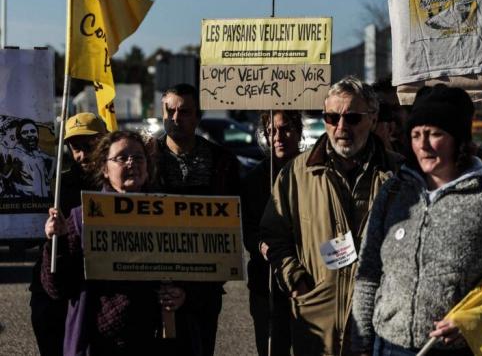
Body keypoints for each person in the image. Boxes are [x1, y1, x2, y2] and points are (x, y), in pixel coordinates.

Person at [352, 84, 482, 356]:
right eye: (416, 134)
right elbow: (369, 274)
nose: (423, 144)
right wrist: (361, 344)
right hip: (387, 347)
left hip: (458, 350)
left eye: (435, 134)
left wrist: (475, 320)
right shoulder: (393, 193)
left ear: (458, 139)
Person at [261, 76, 402, 356]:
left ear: (373, 120)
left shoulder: (399, 175)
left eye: (352, 118)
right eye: (332, 117)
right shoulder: (296, 174)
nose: (341, 127)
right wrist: (298, 285)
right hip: (316, 324)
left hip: (380, 324)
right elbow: (272, 235)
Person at [42, 130, 185, 355]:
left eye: (139, 157)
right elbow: (56, 288)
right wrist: (55, 241)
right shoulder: (81, 219)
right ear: (104, 169)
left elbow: (189, 272)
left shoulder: (169, 215)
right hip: (95, 344)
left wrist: (180, 293)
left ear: (148, 167)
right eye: (121, 158)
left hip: (152, 342)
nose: (132, 163)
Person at [153, 83, 241, 356]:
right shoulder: (146, 158)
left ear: (198, 116)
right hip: (155, 287)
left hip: (204, 289)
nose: (175, 118)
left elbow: (231, 229)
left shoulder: (223, 162)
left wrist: (192, 288)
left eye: (184, 111)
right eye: (170, 111)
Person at [30, 112, 106, 356]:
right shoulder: (56, 187)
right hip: (55, 288)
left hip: (97, 291)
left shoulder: (118, 184)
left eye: (89, 145)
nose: (82, 154)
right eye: (75, 147)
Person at [241, 111, 303, 356]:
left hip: (309, 284)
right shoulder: (254, 180)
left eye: (285, 128)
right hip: (266, 285)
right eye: (271, 131)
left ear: (299, 130)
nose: (278, 137)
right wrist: (263, 247)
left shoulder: (316, 172)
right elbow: (248, 233)